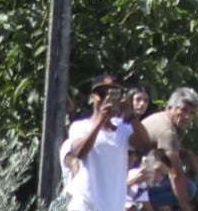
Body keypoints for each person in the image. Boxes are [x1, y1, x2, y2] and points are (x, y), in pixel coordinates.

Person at [63, 75, 156, 211]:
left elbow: (145, 145)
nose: (107, 99)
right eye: (102, 94)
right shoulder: (80, 127)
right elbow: (79, 152)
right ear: (93, 97)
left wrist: (131, 116)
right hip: (85, 205)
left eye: (113, 95)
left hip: (113, 206)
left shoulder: (123, 130)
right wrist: (101, 119)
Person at [140, 88, 198, 210]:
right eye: (183, 110)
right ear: (170, 108)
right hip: (133, 182)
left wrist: (187, 155)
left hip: (139, 177)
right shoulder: (168, 132)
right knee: (190, 187)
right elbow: (176, 175)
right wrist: (186, 207)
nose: (187, 116)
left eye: (192, 113)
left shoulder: (161, 118)